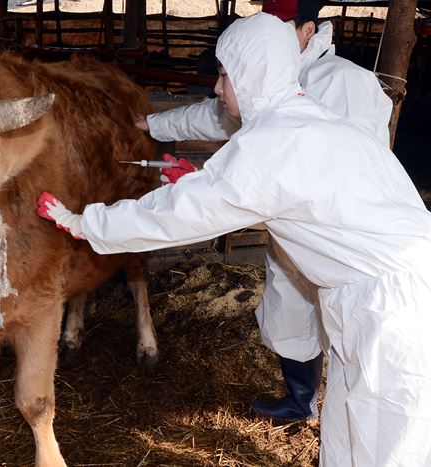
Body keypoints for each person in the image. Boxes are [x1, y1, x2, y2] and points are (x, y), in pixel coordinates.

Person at [37, 12, 431, 466]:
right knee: (350, 426)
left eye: (225, 74)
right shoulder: (307, 121)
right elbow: (274, 192)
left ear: (253, 72)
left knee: (385, 444)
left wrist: (86, 223)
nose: (218, 88)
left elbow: (177, 215)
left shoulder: (273, 143)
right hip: (382, 296)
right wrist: (204, 179)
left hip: (391, 312)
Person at [135, 0, 394, 424]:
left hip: (341, 239)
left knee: (353, 336)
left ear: (308, 30)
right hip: (296, 233)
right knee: (290, 313)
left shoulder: (345, 82)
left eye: (281, 26)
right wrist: (154, 125)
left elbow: (352, 170)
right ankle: (301, 400)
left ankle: (344, 421)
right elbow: (217, 115)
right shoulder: (267, 76)